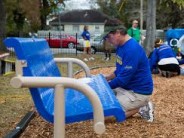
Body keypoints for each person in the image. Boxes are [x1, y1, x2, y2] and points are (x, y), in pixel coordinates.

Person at [104, 25, 154, 122]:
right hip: (126, 88)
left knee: (106, 117)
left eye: (109, 37)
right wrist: (107, 78)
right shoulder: (120, 46)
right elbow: (119, 70)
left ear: (118, 33)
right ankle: (131, 106)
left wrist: (106, 86)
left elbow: (122, 79)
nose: (108, 40)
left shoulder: (132, 49)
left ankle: (142, 107)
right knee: (101, 104)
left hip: (137, 93)